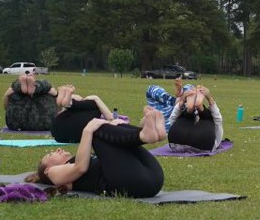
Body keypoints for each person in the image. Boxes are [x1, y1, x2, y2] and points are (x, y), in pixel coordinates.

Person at [26, 108, 167, 198]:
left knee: (107, 130)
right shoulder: (53, 174)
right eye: (50, 155)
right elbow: (80, 168)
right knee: (95, 131)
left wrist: (113, 125)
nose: (57, 150)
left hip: (153, 177)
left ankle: (149, 133)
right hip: (131, 184)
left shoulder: (82, 157)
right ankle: (143, 134)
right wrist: (87, 131)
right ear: (47, 170)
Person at [166, 85, 225, 153]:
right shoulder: (206, 124)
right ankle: (199, 108)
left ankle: (190, 110)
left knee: (184, 117)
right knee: (208, 118)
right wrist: (209, 98)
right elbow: (218, 120)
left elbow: (172, 119)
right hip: (202, 143)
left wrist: (182, 101)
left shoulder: (184, 121)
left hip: (177, 142)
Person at [51, 84, 116, 143]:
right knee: (93, 104)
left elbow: (110, 118)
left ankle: (69, 102)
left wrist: (96, 98)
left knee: (93, 103)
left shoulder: (92, 110)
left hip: (57, 130)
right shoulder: (92, 114)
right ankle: (69, 102)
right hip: (64, 133)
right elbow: (110, 118)